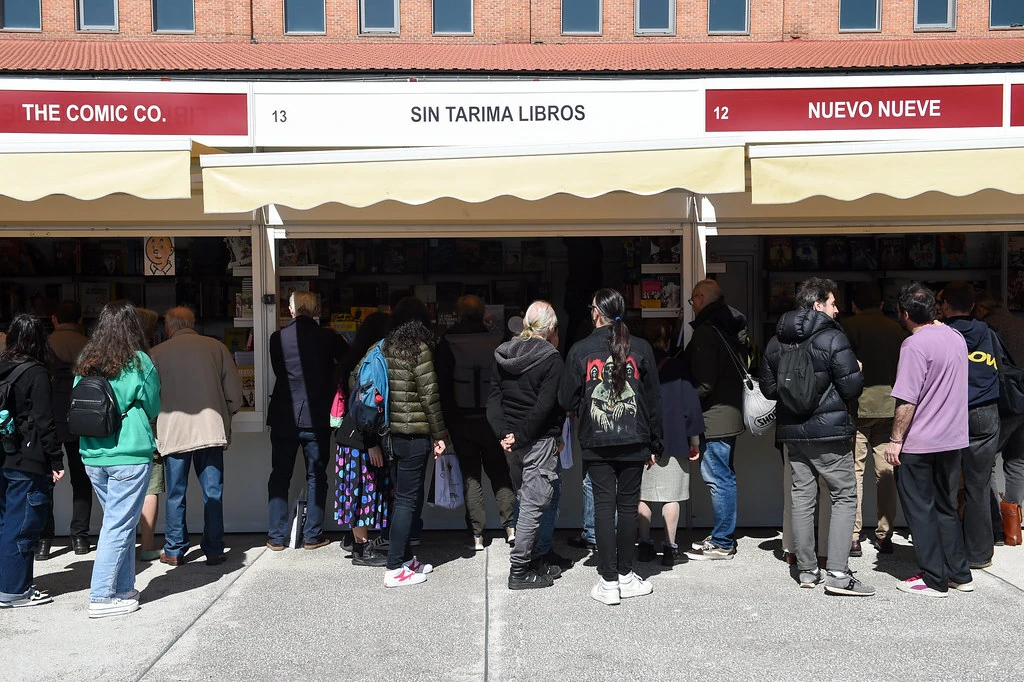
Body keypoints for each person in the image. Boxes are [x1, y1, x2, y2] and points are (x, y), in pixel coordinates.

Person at [760, 278, 872, 596]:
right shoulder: (834, 338)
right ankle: (838, 573)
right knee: (844, 496)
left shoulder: (775, 342)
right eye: (834, 304)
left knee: (801, 498)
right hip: (830, 433)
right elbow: (851, 388)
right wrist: (857, 370)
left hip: (793, 433)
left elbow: (769, 389)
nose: (838, 310)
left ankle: (807, 570)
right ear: (817, 305)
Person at [558, 288, 663, 606]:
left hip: (596, 440)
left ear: (595, 313)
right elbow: (654, 401)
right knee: (628, 508)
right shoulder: (642, 348)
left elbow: (565, 399)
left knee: (604, 508)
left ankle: (608, 582)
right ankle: (627, 576)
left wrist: (584, 400)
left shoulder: (580, 349)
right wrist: (656, 442)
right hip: (635, 440)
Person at [885, 283, 973, 598]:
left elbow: (907, 399)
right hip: (952, 438)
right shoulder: (956, 337)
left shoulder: (914, 345)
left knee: (920, 510)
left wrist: (896, 440)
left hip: (920, 441)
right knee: (946, 507)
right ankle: (959, 574)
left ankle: (934, 578)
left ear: (905, 314)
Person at [76, 300, 161, 618]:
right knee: (118, 524)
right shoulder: (139, 362)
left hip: (93, 454)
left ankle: (123, 588)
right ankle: (100, 596)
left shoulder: (88, 360)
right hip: (129, 452)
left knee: (119, 523)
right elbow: (153, 406)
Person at [150, 307, 242, 567]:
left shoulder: (156, 354)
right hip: (210, 430)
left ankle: (175, 549)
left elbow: (150, 398)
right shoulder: (216, 347)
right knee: (213, 492)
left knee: (175, 493)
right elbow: (234, 392)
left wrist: (154, 425)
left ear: (168, 328)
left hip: (173, 431)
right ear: (193, 323)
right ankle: (214, 549)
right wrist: (228, 411)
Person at [488, 300, 564, 589]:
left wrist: (504, 434)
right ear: (552, 328)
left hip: (512, 443)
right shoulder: (552, 359)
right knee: (534, 505)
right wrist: (518, 435)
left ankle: (533, 560)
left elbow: (493, 399)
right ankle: (520, 570)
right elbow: (544, 407)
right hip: (536, 441)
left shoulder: (504, 354)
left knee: (525, 500)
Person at [266, 291, 346, 551]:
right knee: (317, 476)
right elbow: (348, 359)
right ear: (315, 311)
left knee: (280, 475)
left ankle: (276, 537)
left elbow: (280, 372)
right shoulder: (327, 337)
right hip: (316, 415)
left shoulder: (277, 338)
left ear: (291, 310)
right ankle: (312, 535)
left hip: (283, 414)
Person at [436, 295, 515, 551]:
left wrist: (446, 422)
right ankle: (511, 528)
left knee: (471, 476)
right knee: (500, 473)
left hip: (461, 419)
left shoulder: (448, 341)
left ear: (458, 314)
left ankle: (476, 536)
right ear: (483, 314)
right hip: (492, 419)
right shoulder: (496, 339)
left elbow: (443, 385)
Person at [378, 297, 448, 587]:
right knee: (408, 500)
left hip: (390, 435)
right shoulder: (419, 350)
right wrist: (440, 435)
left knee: (400, 498)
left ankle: (406, 559)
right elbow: (429, 396)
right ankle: (394, 568)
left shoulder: (385, 347)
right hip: (415, 434)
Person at [0, 315, 64, 608]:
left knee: (5, 524)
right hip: (27, 459)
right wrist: (56, 459)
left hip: (4, 456)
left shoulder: (2, 366)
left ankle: (8, 584)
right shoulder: (36, 372)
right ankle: (15, 590)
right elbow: (44, 421)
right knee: (23, 525)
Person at [842, 283, 907, 556]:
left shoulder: (847, 327)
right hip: (890, 410)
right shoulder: (897, 330)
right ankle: (885, 535)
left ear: (854, 305)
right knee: (886, 474)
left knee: (854, 473)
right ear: (882, 305)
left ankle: (853, 536)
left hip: (857, 409)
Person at [683, 279, 745, 561]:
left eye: (692, 300)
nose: (692, 306)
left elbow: (704, 383)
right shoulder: (731, 327)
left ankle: (722, 542)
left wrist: (684, 403)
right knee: (724, 476)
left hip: (714, 417)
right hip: (728, 413)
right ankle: (722, 534)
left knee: (718, 478)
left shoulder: (708, 332)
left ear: (700, 297)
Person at [940, 281, 1000, 569]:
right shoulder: (986, 332)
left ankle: (949, 554)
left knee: (947, 487)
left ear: (945, 305)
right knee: (978, 486)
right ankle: (979, 555)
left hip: (951, 414)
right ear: (974, 307)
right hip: (985, 413)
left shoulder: (943, 334)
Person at [637, 319, 703, 567]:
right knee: (671, 496)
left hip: (642, 439)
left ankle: (644, 545)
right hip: (674, 439)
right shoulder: (677, 367)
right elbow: (691, 407)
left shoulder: (636, 366)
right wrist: (694, 440)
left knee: (642, 495)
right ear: (666, 341)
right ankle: (669, 548)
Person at [334, 312, 394, 567]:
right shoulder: (373, 362)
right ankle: (361, 548)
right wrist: (371, 443)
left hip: (348, 436)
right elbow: (368, 409)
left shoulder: (353, 358)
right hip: (360, 439)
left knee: (355, 492)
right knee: (362, 494)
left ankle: (356, 539)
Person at [38, 300, 90, 560]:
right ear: (80, 319)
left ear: (54, 319)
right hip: (82, 416)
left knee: (46, 479)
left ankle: (44, 540)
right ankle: (80, 537)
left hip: (49, 415)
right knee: (81, 478)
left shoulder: (44, 345)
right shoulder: (88, 345)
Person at [975, 291, 1024, 543]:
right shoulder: (1020, 323)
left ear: (981, 309)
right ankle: (1013, 530)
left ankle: (995, 525)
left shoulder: (989, 329)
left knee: (987, 461)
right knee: (1017, 460)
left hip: (1006, 403)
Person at [134, 308, 164, 562]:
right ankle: (145, 546)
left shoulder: (99, 356)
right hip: (142, 434)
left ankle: (120, 545)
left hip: (107, 438)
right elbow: (153, 404)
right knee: (150, 486)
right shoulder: (145, 359)